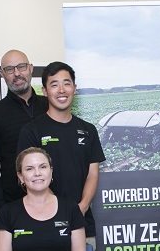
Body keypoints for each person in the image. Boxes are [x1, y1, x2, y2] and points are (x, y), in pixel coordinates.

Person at [17, 61, 104, 238]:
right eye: (54, 85)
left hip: (83, 221)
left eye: (66, 83)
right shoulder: (31, 131)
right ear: (44, 91)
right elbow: (30, 177)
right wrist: (60, 211)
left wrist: (81, 207)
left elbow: (92, 174)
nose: (61, 90)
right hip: (45, 223)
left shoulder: (88, 130)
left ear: (74, 89)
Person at [0, 49, 46, 213]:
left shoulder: (49, 106)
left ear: (30, 68)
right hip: (15, 204)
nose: (17, 73)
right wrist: (1, 207)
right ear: (2, 74)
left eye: (21, 67)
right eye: (10, 69)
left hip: (55, 201)